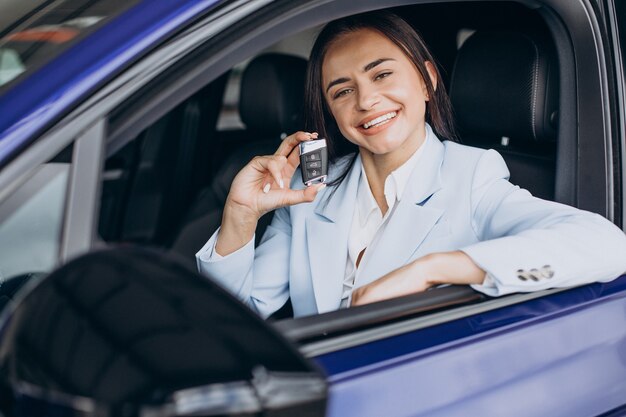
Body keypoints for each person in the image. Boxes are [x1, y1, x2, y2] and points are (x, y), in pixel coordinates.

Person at [196, 11, 626, 318]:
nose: (366, 101)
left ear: (426, 79)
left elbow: (606, 244)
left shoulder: (473, 175)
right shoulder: (309, 190)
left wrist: (430, 271)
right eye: (342, 91)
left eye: (382, 75)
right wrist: (240, 215)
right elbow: (238, 315)